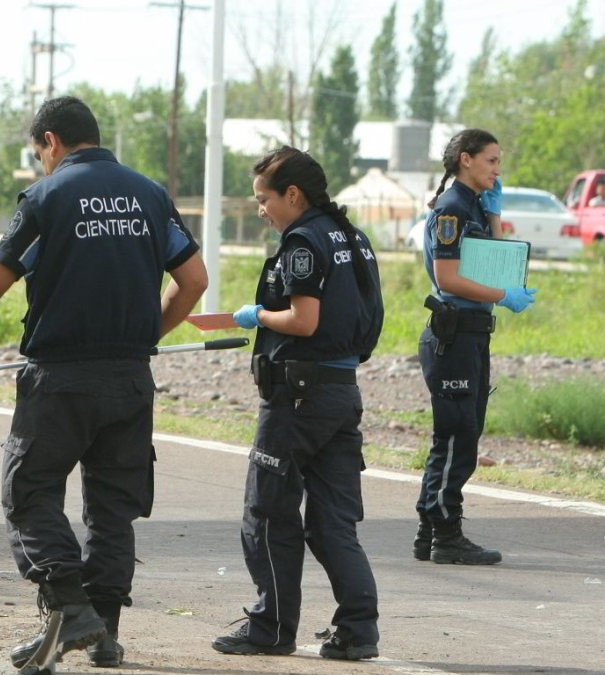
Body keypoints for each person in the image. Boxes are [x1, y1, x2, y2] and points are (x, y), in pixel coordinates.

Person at [0, 96, 208, 669]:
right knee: (112, 509)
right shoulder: (149, 194)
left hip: (60, 380)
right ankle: (101, 633)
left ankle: (69, 608)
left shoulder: (49, 196)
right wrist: (144, 335)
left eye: (39, 153)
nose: (41, 163)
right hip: (131, 379)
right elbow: (193, 281)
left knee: (29, 491)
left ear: (51, 142)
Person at [211, 146, 384, 662]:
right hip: (341, 391)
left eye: (264, 198)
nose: (260, 208)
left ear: (293, 194)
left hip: (297, 399)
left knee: (267, 512)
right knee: (332, 523)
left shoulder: (304, 241)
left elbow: (304, 320)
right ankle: (358, 630)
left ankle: (271, 626)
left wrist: (258, 316)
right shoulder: (352, 236)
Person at [413, 128, 537, 566]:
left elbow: (495, 264)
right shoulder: (450, 209)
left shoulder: (473, 207)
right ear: (466, 159)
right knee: (457, 434)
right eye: (491, 160)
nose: (497, 169)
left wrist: (495, 214)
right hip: (454, 334)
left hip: (473, 333)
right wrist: (504, 297)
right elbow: (448, 278)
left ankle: (430, 529)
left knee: (462, 431)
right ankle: (445, 534)